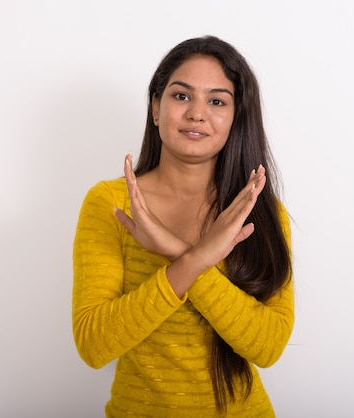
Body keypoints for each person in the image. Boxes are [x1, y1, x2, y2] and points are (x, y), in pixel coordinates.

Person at [72, 35, 293, 417]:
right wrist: (194, 261)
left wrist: (178, 253)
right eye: (181, 96)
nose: (196, 113)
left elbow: (267, 347)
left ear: (236, 118)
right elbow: (94, 345)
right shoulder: (111, 204)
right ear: (156, 108)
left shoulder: (257, 212)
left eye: (217, 101)